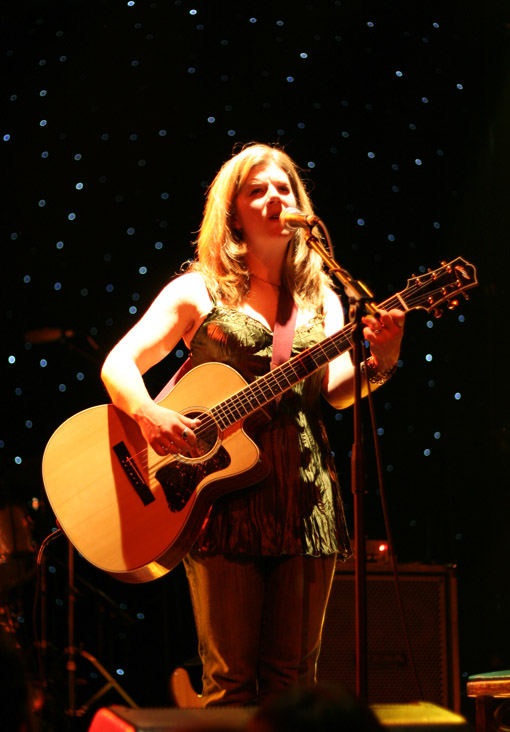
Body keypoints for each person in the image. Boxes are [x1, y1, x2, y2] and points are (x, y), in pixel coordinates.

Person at [100, 142, 405, 707]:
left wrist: (380, 363)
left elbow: (335, 394)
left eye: (284, 188)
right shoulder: (199, 290)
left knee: (294, 686)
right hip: (222, 505)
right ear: (232, 210)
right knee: (232, 685)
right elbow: (118, 364)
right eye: (257, 189)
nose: (274, 198)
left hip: (306, 499)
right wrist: (149, 414)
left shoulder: (324, 299)